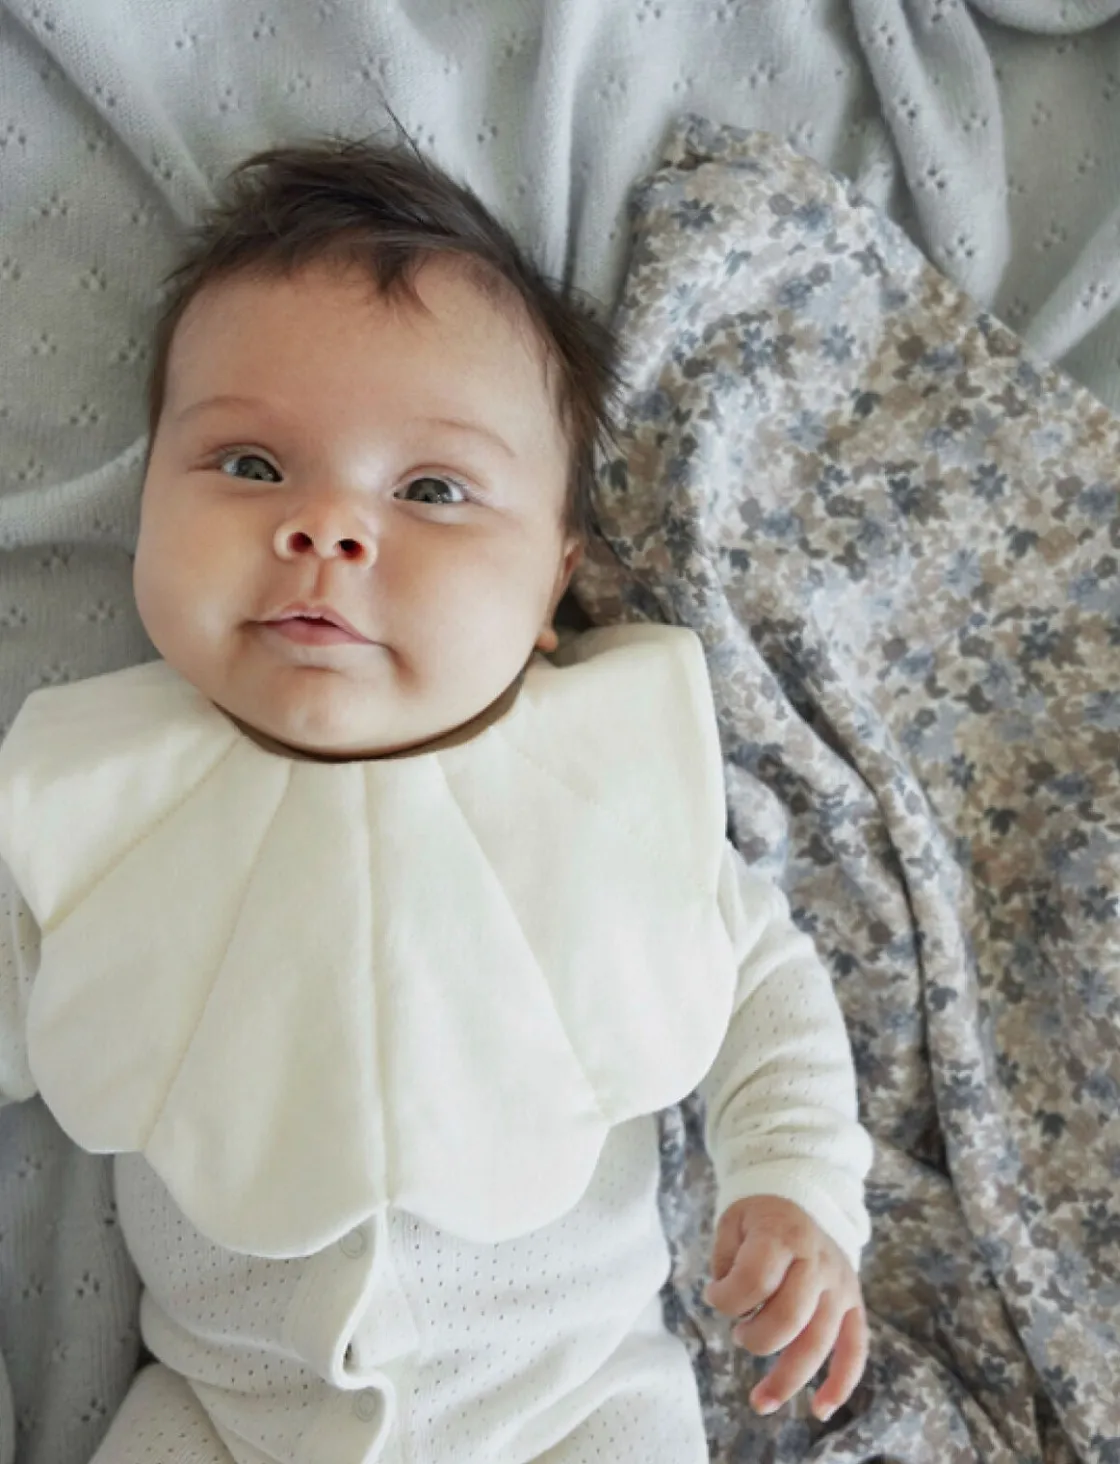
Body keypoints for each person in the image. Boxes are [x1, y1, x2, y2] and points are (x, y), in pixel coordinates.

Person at [0, 138, 873, 1463]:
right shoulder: (93, 807)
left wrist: (796, 1188)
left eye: (430, 491)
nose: (327, 529)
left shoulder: (605, 788)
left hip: (572, 1401)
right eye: (250, 466)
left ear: (551, 584)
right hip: (225, 1413)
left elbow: (763, 989)